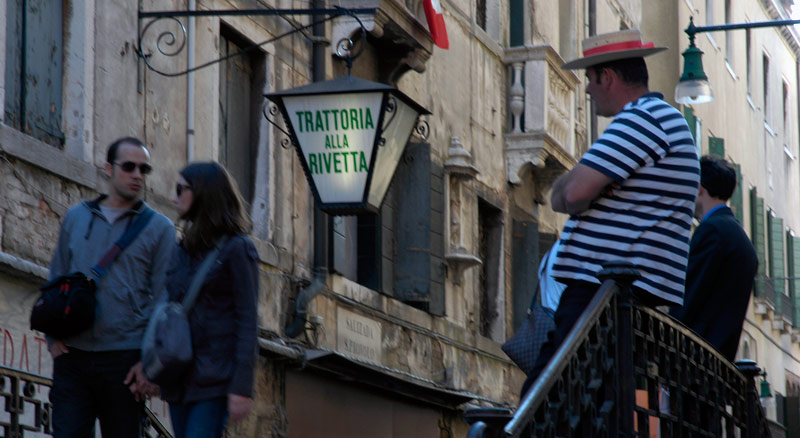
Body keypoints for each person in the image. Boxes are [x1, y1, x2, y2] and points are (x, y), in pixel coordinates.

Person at [521, 30, 699, 395]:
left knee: (546, 398)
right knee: (582, 400)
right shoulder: (659, 120)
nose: (587, 89)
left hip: (603, 294)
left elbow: (569, 194)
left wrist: (585, 185)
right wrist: (588, 183)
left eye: (590, 78)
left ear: (607, 77)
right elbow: (568, 193)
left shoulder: (641, 119)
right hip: (618, 295)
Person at [47, 137, 176, 437]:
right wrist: (52, 337)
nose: (137, 175)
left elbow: (164, 300)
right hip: (72, 358)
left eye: (144, 169)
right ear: (108, 169)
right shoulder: (76, 217)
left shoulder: (160, 229)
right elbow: (56, 277)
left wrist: (149, 363)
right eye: (129, 167)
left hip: (125, 360)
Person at [159, 162, 259, 438]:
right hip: (179, 378)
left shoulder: (238, 249)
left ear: (203, 193)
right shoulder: (183, 249)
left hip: (215, 380)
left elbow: (248, 321)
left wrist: (242, 387)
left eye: (180, 189)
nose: (174, 197)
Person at [670, 156, 758, 361]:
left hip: (696, 356)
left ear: (699, 188)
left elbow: (690, 296)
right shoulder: (738, 236)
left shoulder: (712, 231)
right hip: (720, 357)